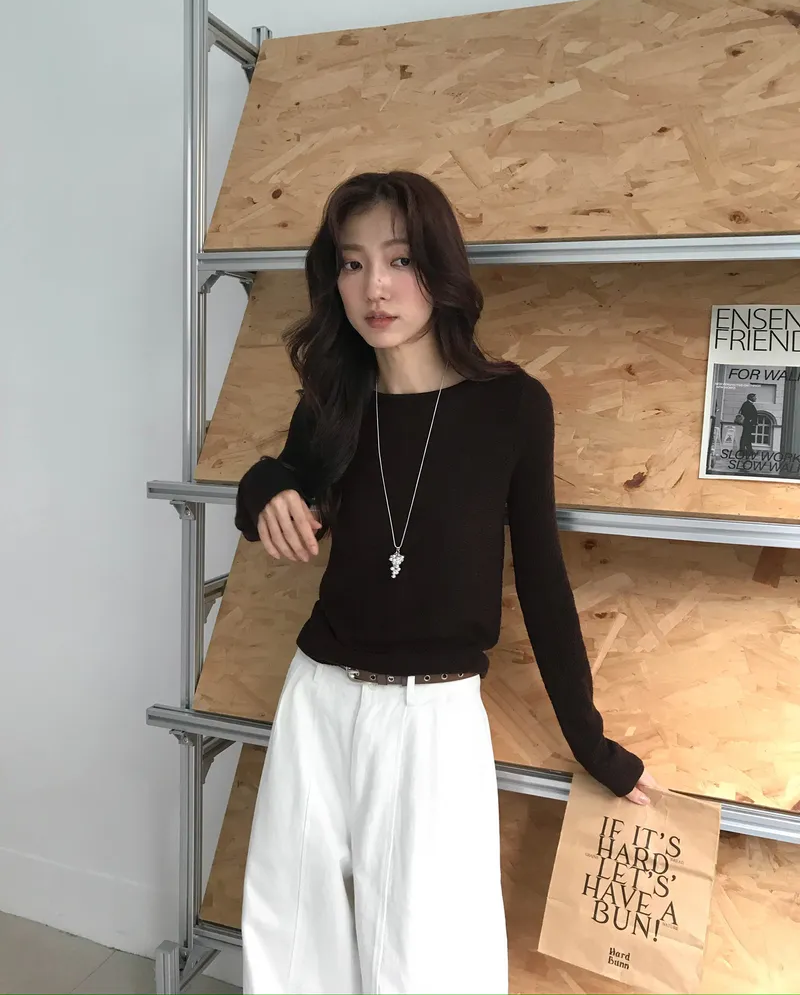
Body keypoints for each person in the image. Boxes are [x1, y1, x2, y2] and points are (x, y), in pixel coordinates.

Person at [234, 171, 653, 995]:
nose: (375, 287)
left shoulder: (511, 407)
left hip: (431, 719)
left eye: (399, 259)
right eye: (352, 263)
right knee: (291, 944)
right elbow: (279, 475)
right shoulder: (335, 401)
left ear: (439, 268)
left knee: (430, 962)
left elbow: (543, 579)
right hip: (318, 700)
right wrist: (264, 493)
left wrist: (595, 747)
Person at [737, 392, 759, 458]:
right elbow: (746, 413)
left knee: (748, 437)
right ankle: (742, 451)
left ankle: (749, 451)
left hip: (749, 423)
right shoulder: (747, 404)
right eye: (754, 397)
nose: (756, 398)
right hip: (747, 423)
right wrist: (750, 420)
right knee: (745, 437)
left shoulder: (749, 404)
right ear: (751, 398)